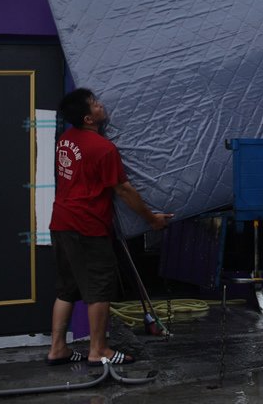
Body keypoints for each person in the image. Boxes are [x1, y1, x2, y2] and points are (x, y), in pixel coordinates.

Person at [46, 88, 172, 366]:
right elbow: (124, 190)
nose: (101, 105)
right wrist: (152, 219)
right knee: (98, 290)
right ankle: (98, 350)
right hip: (87, 227)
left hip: (61, 222)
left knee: (66, 289)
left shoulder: (66, 140)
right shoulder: (103, 149)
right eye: (95, 104)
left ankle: (57, 349)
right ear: (89, 118)